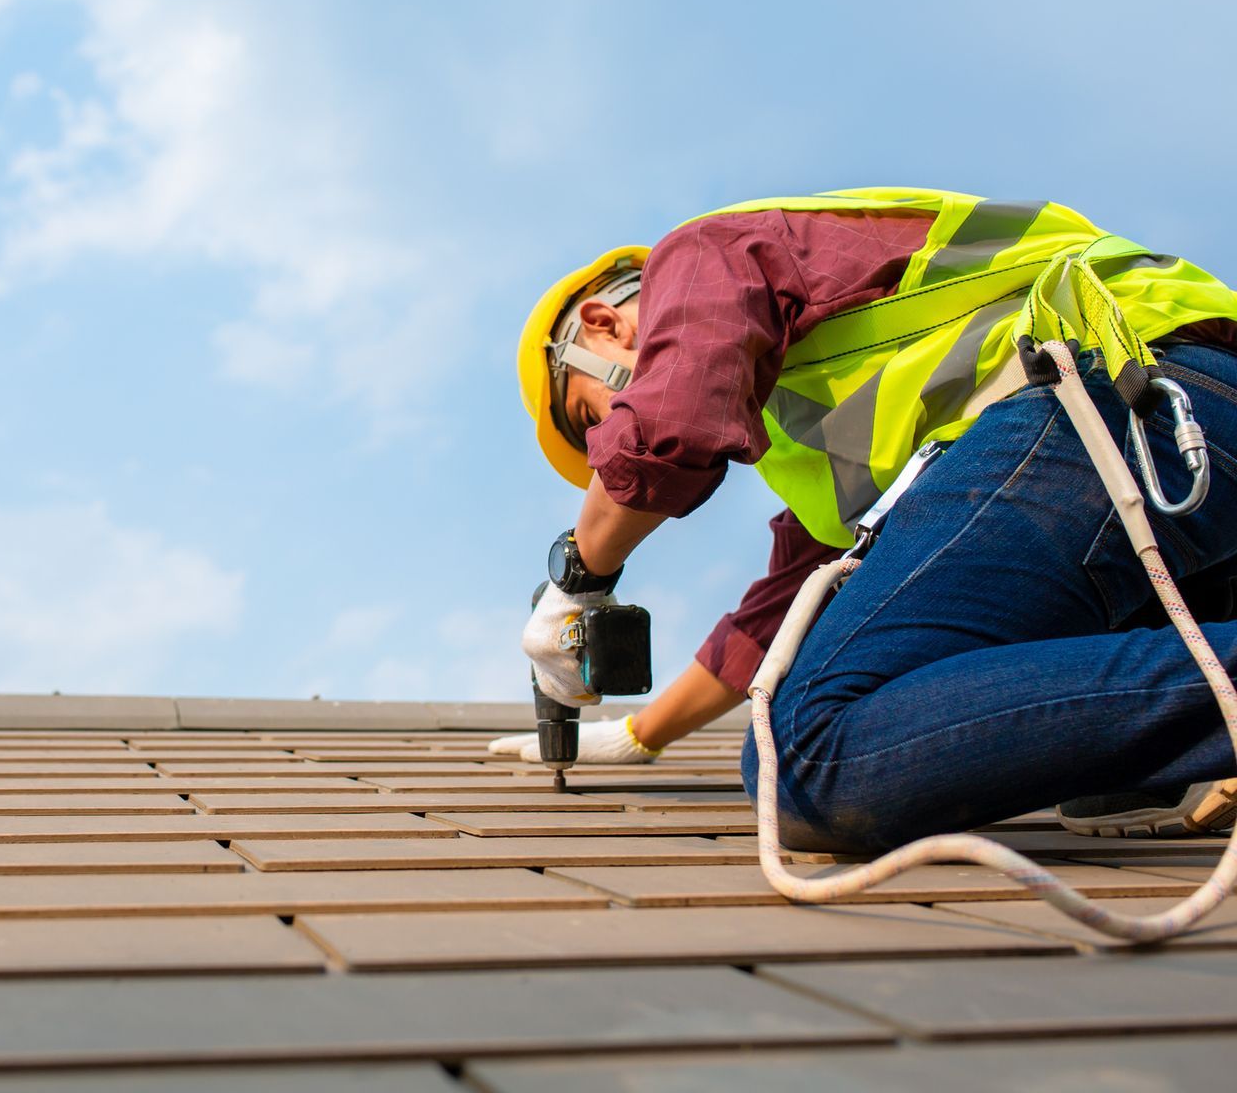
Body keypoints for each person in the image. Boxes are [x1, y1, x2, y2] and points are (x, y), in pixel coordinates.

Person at [497, 188, 1237, 849]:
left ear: (602, 326)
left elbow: (667, 428)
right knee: (1100, 783)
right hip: (1189, 437)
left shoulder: (702, 256)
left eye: (596, 420)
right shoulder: (813, 435)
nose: (609, 458)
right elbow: (772, 625)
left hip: (1115, 396)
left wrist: (578, 574)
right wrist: (635, 737)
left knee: (804, 758)